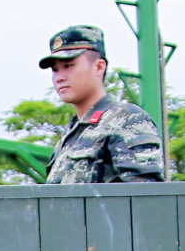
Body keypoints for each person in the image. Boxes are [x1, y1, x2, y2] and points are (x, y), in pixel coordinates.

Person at [37, 25, 167, 185]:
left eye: (68, 66)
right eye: (55, 70)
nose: (59, 77)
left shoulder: (125, 119)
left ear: (99, 67)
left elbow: (144, 198)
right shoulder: (71, 135)